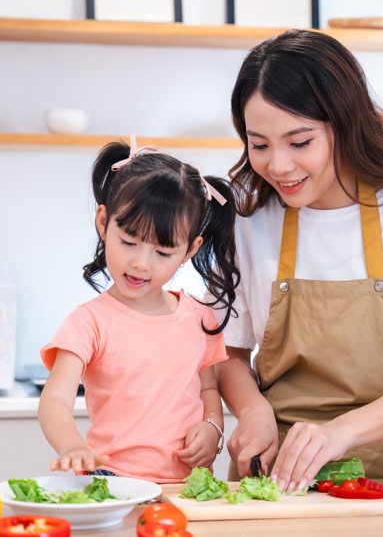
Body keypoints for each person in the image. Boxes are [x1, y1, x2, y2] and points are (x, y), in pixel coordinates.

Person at [215, 29, 383, 490]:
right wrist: (252, 409)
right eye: (259, 145)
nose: (278, 165)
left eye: (300, 142)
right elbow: (225, 352)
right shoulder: (247, 226)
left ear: (346, 124)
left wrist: (341, 432)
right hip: (270, 480)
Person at [38, 136, 239, 483]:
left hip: (189, 487)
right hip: (113, 482)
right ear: (104, 223)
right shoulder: (89, 322)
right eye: (129, 242)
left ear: (190, 250)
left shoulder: (198, 317)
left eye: (163, 253)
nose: (141, 263)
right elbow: (55, 398)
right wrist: (71, 445)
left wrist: (212, 428)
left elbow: (208, 391)